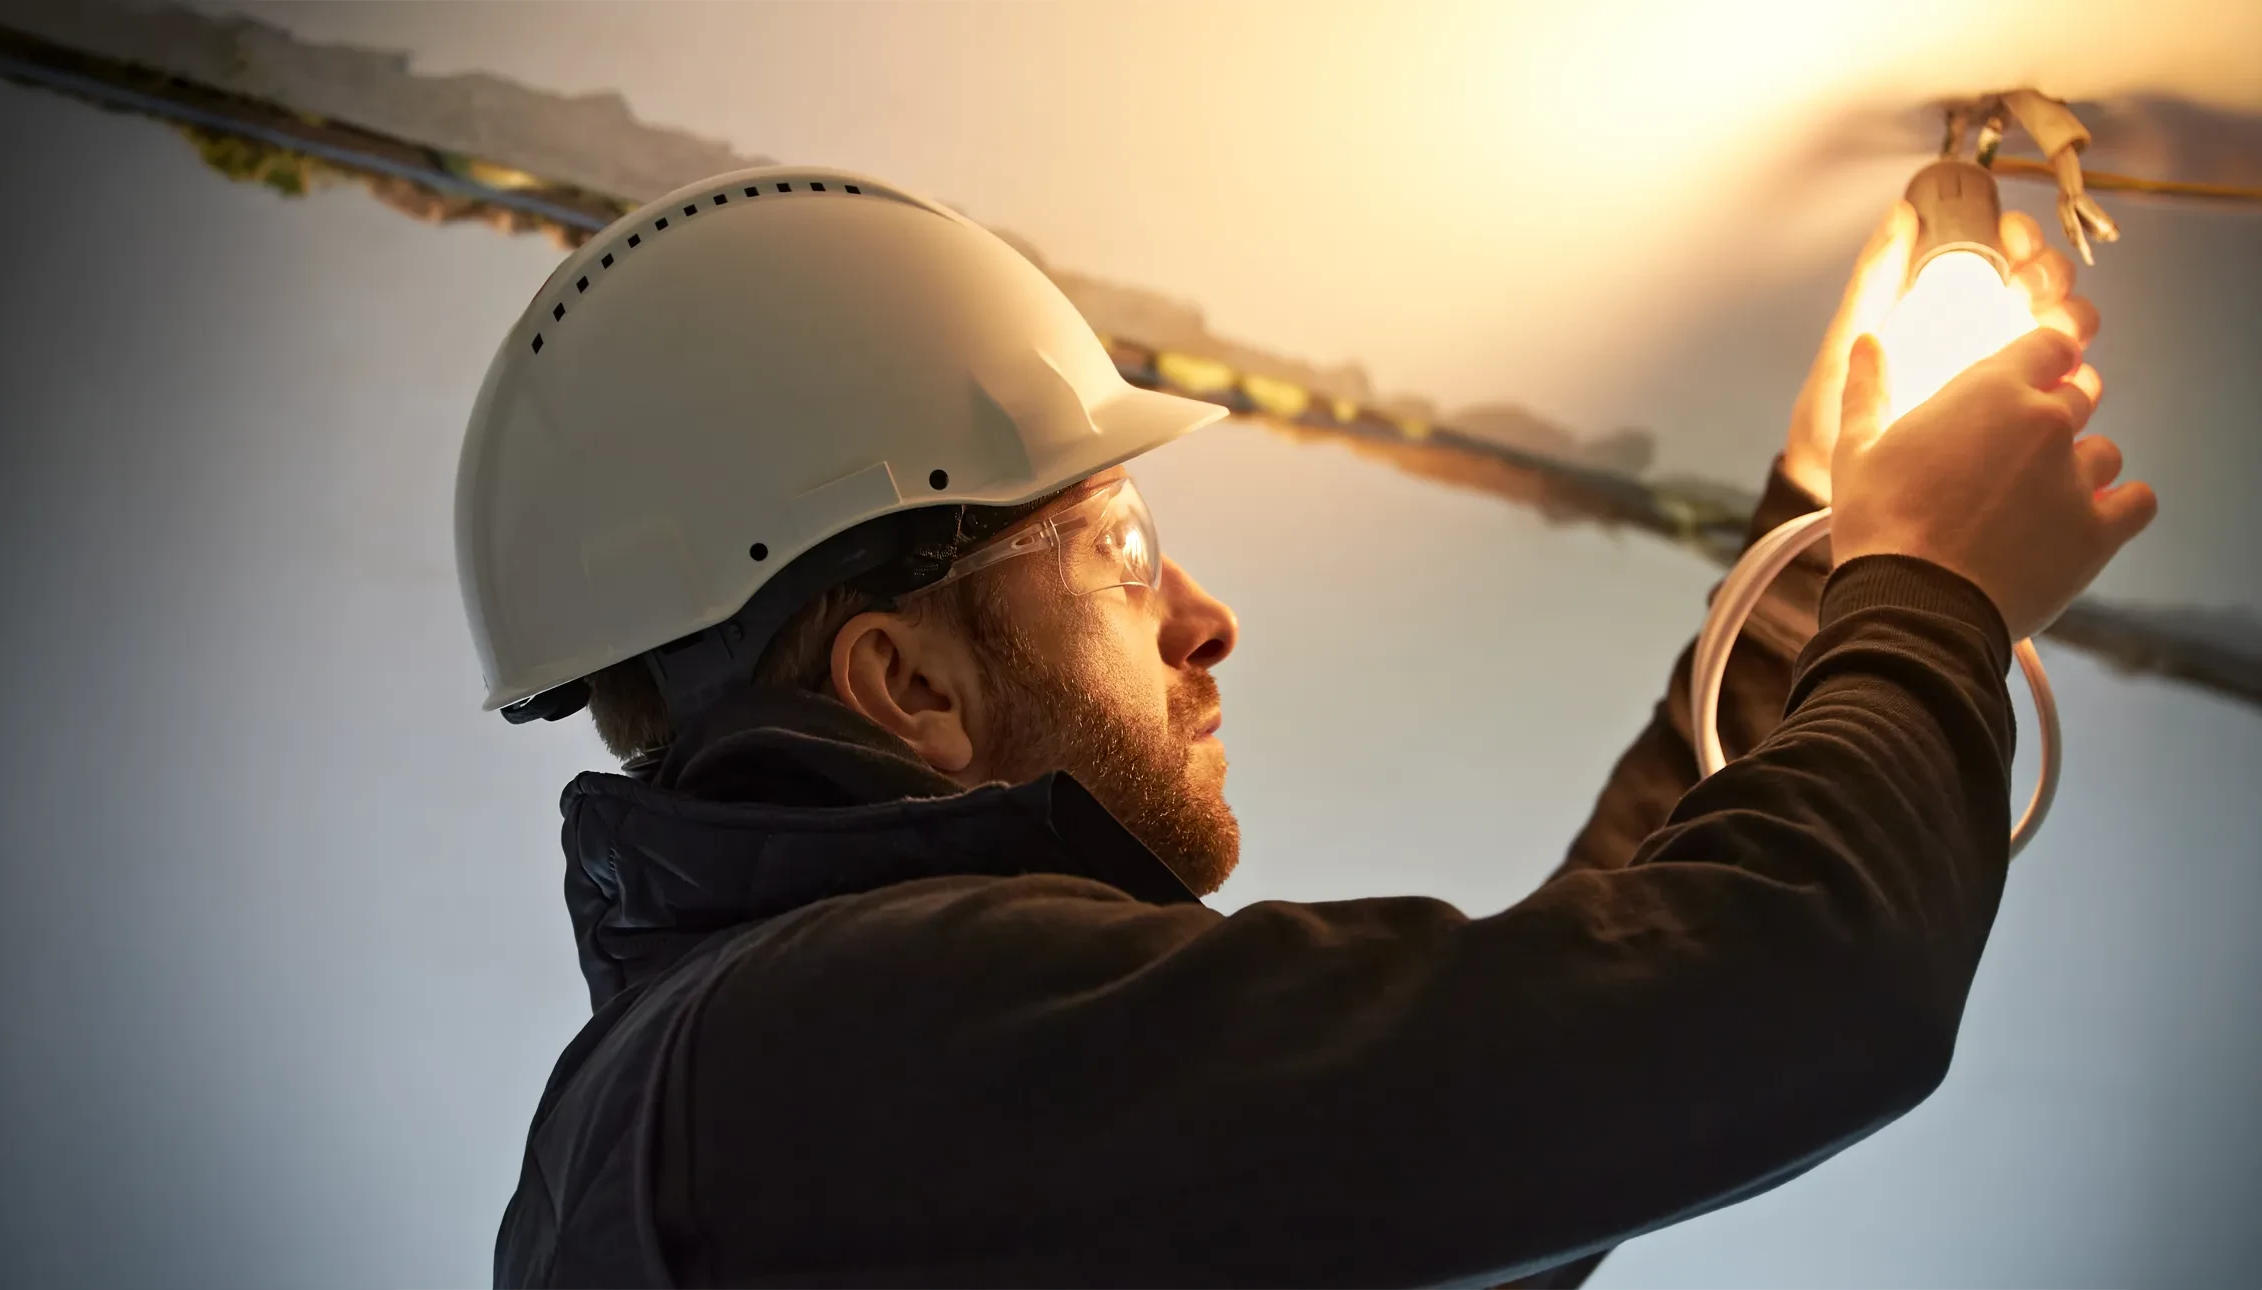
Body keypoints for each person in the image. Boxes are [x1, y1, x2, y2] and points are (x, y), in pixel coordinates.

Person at [456, 167, 2153, 1290]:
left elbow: (1566, 1066)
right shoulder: (830, 1044)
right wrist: (1928, 590)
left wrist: (1819, 566)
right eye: (1116, 546)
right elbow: (1770, 995)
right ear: (908, 684)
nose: (1206, 618)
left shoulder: (766, 1117)